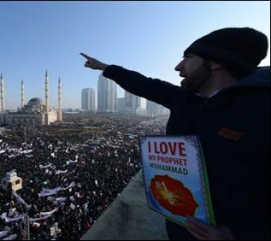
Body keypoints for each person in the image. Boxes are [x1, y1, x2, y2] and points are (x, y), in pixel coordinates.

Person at [81, 27, 270, 240]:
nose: (178, 67)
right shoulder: (184, 100)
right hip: (181, 226)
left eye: (188, 57)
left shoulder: (261, 109)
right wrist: (105, 68)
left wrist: (243, 236)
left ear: (216, 62)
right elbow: (144, 84)